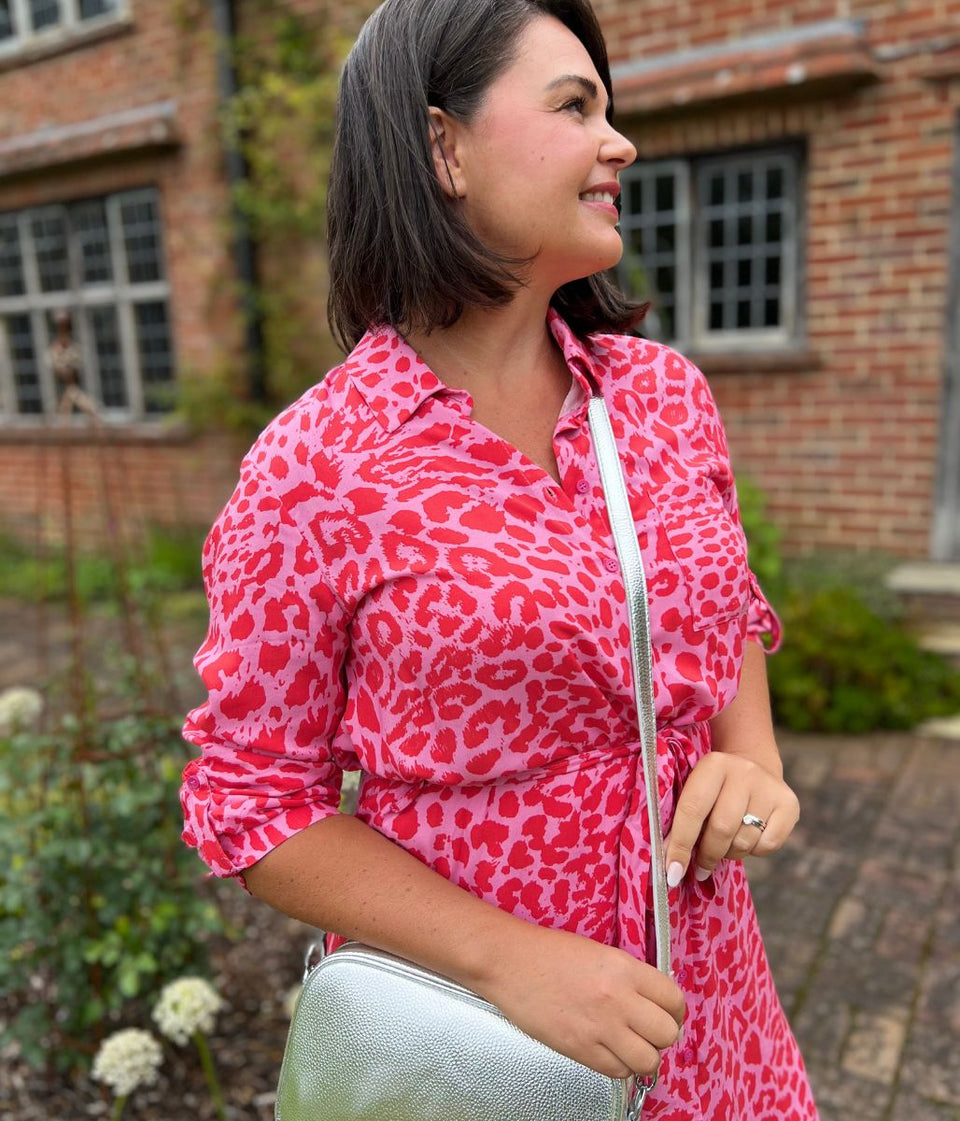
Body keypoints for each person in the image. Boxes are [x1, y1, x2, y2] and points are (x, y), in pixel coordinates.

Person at [180, 1, 819, 1116]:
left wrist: (754, 765)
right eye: (575, 105)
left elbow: (724, 611)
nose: (618, 141)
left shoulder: (661, 400)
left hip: (707, 995)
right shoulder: (318, 467)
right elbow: (252, 801)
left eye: (609, 109)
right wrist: (510, 958)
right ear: (443, 148)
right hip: (481, 1039)